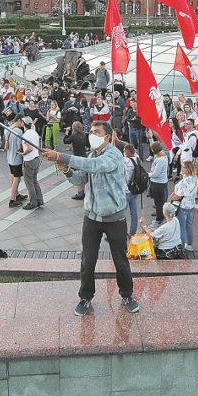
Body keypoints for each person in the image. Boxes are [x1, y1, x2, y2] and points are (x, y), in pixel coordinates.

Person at [42, 121, 138, 316]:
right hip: (91, 217)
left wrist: (62, 155)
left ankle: (127, 294)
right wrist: (66, 169)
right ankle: (85, 297)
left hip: (114, 218)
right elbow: (81, 179)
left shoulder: (114, 155)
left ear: (108, 136)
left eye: (97, 132)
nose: (92, 135)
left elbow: (94, 166)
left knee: (120, 260)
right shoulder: (91, 154)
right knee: (87, 260)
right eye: (91, 131)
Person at [169, 160, 198, 252]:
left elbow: (180, 195)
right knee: (189, 225)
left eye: (184, 167)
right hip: (191, 205)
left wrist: (172, 198)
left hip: (182, 205)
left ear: (188, 169)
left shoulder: (186, 181)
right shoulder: (195, 178)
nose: (182, 169)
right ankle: (189, 244)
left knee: (182, 226)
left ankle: (181, 246)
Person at [20, 116, 44, 211]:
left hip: (29, 160)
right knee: (34, 180)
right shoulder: (34, 132)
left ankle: (33, 202)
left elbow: (29, 148)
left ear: (23, 123)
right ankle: (40, 200)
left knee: (29, 182)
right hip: (36, 158)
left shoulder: (25, 135)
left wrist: (23, 153)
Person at [4, 116, 26, 208]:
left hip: (9, 157)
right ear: (19, 120)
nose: (23, 124)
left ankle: (16, 194)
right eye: (23, 122)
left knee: (12, 175)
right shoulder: (19, 131)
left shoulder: (8, 129)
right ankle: (12, 200)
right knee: (17, 178)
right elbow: (19, 147)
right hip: (16, 158)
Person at [147, 141, 169, 225]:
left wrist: (147, 174)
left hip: (158, 183)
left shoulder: (160, 160)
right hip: (161, 183)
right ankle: (159, 216)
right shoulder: (163, 155)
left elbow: (155, 174)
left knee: (159, 202)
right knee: (159, 202)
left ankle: (159, 219)